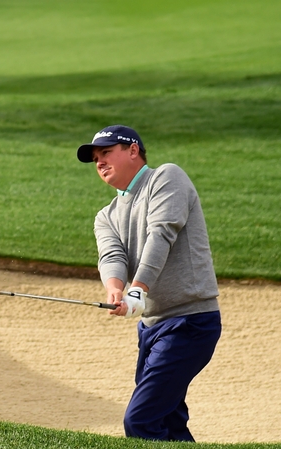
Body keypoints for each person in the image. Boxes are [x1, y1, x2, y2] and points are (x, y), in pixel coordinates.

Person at [76, 125, 221, 441]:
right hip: (152, 328)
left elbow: (162, 234)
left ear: (133, 151)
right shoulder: (106, 215)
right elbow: (111, 256)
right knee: (169, 423)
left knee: (140, 421)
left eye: (106, 153)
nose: (99, 162)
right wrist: (115, 288)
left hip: (190, 322)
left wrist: (138, 289)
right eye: (96, 158)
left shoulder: (166, 178)